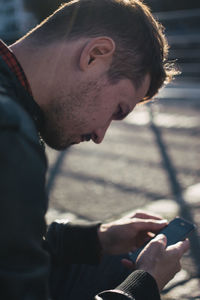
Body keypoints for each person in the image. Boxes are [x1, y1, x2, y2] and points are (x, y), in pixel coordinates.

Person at [0, 0, 189, 299]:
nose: (100, 135)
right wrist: (141, 289)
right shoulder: (10, 132)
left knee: (110, 257)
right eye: (117, 109)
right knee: (129, 271)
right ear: (95, 55)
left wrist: (97, 239)